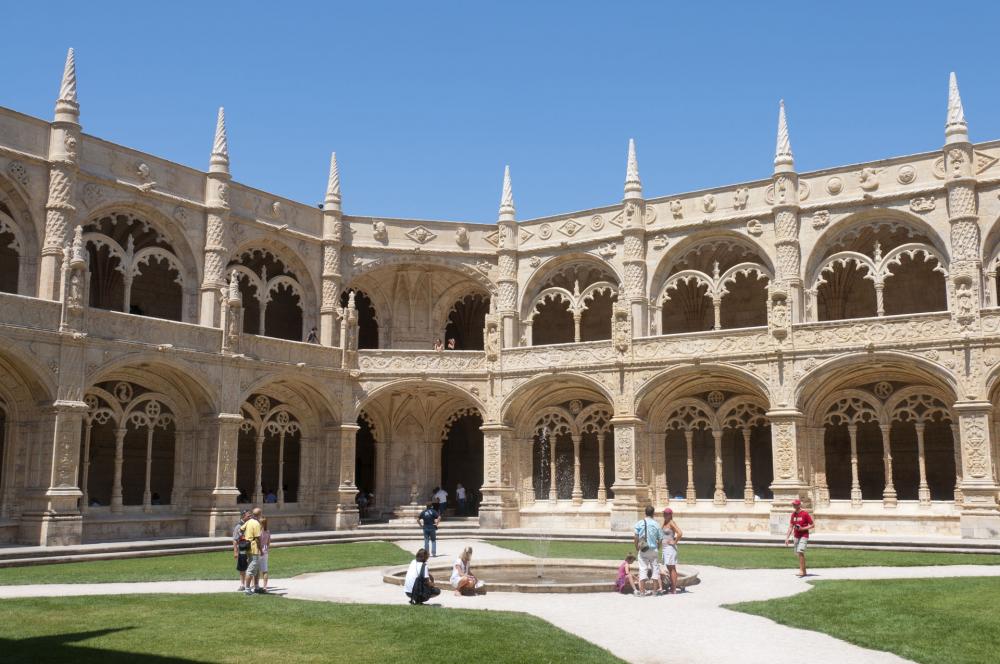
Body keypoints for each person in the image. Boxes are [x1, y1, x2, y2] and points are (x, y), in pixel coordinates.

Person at [633, 505, 663, 596]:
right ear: (653, 513)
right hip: (653, 549)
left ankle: (642, 592)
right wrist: (658, 547)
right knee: (655, 570)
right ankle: (654, 591)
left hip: (643, 549)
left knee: (642, 569)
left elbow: (636, 537)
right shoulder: (656, 524)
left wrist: (636, 547)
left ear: (645, 513)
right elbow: (660, 538)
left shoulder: (639, 523)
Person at [785, 498, 814, 577]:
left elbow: (812, 525)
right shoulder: (793, 514)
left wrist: (802, 529)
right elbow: (791, 526)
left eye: (795, 504)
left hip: (804, 535)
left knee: (800, 551)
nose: (794, 506)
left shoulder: (805, 514)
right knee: (798, 553)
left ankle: (801, 570)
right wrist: (787, 538)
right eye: (793, 504)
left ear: (799, 505)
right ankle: (804, 571)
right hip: (796, 536)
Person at [659, 508, 684, 594]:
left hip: (670, 548)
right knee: (669, 567)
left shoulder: (671, 522)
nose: (664, 515)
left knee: (672, 568)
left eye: (666, 514)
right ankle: (672, 587)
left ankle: (673, 589)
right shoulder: (665, 522)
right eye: (664, 514)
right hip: (665, 548)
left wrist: (674, 541)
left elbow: (680, 533)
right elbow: (660, 531)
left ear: (670, 515)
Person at [240, 507, 263, 595]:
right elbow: (257, 539)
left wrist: (245, 538)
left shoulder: (249, 521)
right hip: (254, 548)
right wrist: (261, 550)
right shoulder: (256, 523)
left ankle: (256, 587)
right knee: (251, 568)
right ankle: (247, 589)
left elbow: (241, 529)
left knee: (256, 568)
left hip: (248, 547)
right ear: (260, 514)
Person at [232, 510, 251, 592]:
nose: (250, 517)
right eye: (248, 516)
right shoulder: (238, 526)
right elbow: (235, 540)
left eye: (250, 515)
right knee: (242, 568)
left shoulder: (250, 524)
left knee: (250, 567)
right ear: (243, 516)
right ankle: (242, 584)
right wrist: (235, 552)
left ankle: (252, 584)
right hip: (242, 550)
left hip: (250, 549)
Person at [258, 516, 271, 592]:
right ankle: (265, 586)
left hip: (259, 551)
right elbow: (268, 542)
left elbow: (258, 542)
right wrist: (266, 549)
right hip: (265, 550)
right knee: (265, 570)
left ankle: (255, 584)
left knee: (256, 570)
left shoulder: (258, 532)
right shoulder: (268, 531)